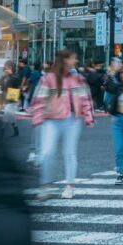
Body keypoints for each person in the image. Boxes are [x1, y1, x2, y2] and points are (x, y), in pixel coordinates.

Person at [30, 49, 95, 200]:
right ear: (65, 60)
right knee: (47, 153)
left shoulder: (77, 78)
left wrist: (88, 117)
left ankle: (69, 187)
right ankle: (45, 186)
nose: (76, 61)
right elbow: (40, 99)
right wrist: (37, 118)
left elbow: (85, 98)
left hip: (72, 120)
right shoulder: (49, 78)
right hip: (51, 120)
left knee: (70, 153)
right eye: (73, 58)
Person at [0, 61, 21, 138]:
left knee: (6, 115)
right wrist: (4, 76)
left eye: (8, 67)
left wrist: (10, 75)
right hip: (6, 97)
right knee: (11, 116)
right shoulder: (5, 76)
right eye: (6, 67)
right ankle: (16, 130)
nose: (6, 69)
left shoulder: (15, 76)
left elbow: (17, 86)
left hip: (12, 97)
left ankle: (1, 130)